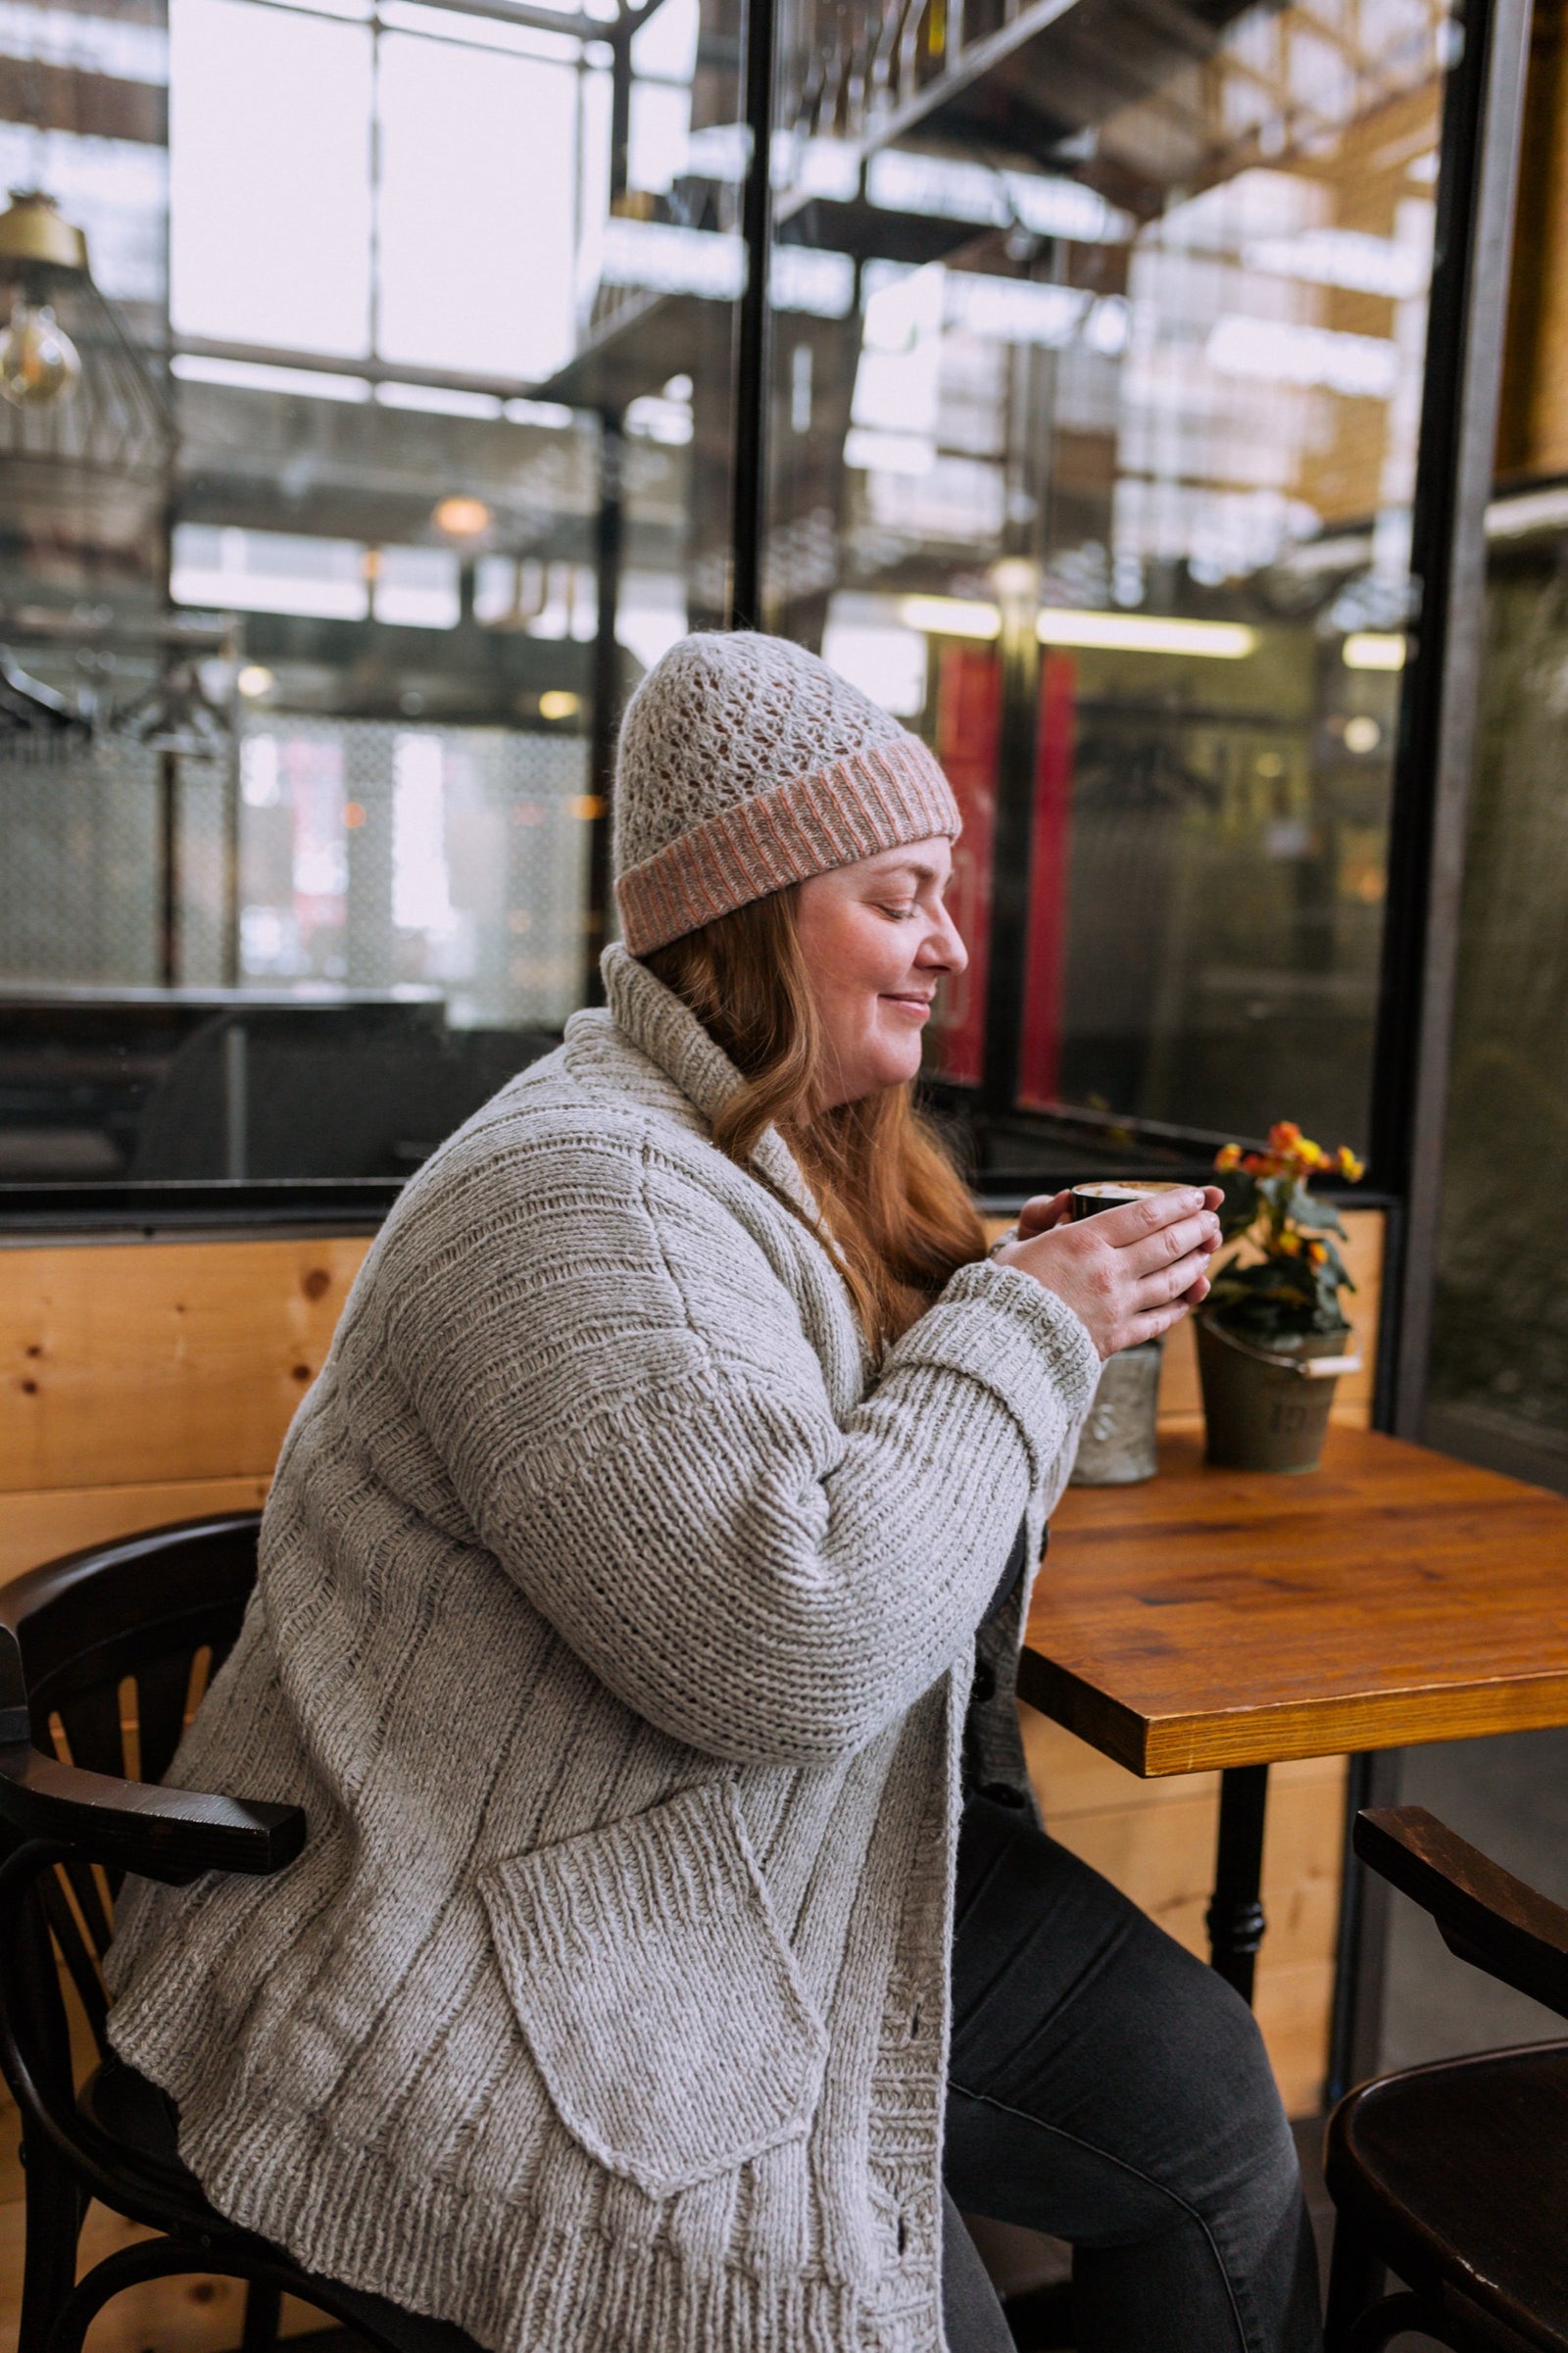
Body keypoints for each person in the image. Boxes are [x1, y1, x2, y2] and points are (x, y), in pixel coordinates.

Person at [105, 632, 1321, 2353]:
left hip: (770, 1850)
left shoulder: (776, 1154)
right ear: (757, 915)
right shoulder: (577, 1195)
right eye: (902, 897)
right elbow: (791, 1637)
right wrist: (1025, 1332)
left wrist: (1003, 1300)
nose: (950, 949)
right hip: (499, 1927)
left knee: (1212, 2114)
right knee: (886, 2310)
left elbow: (819, 1480)